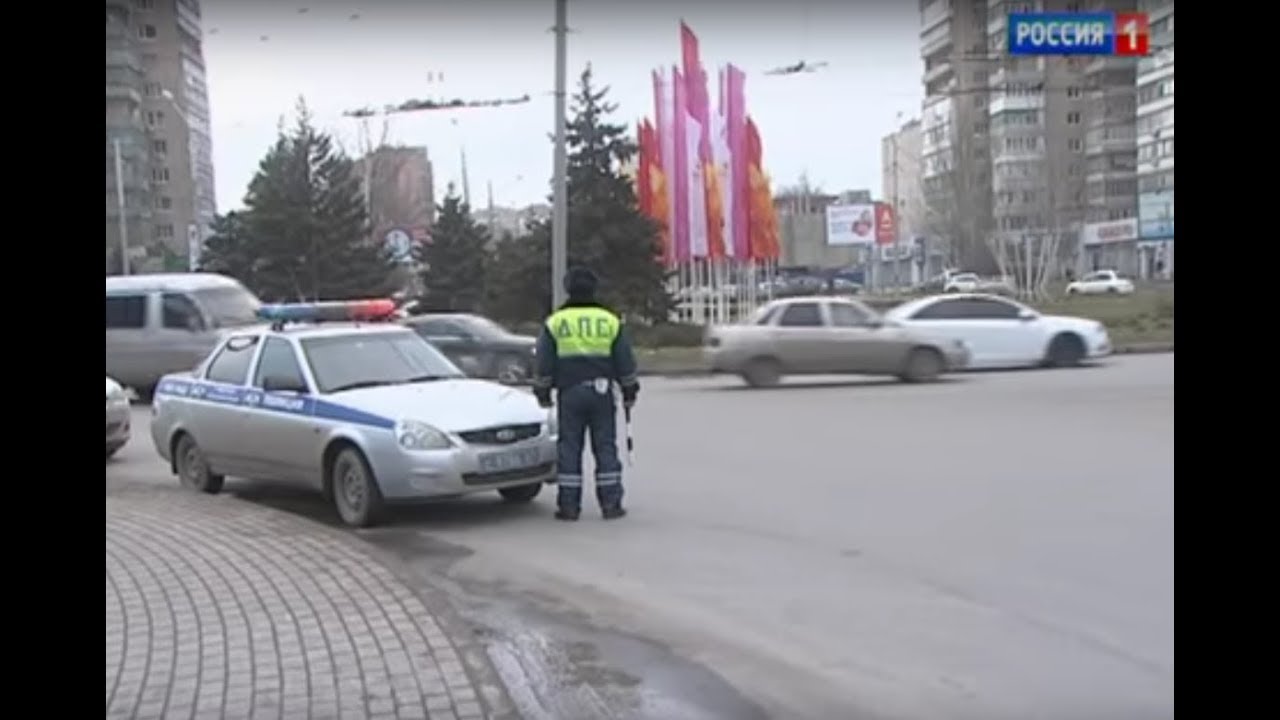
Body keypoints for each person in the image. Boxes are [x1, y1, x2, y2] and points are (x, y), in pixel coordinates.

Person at [533, 267, 640, 521]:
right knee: (605, 446)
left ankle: (569, 506)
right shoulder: (609, 320)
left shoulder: (556, 322)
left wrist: (543, 390)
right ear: (594, 288)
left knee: (569, 447)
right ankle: (611, 504)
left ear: (568, 288)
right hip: (602, 391)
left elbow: (545, 362)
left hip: (570, 392)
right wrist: (629, 389)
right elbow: (625, 360)